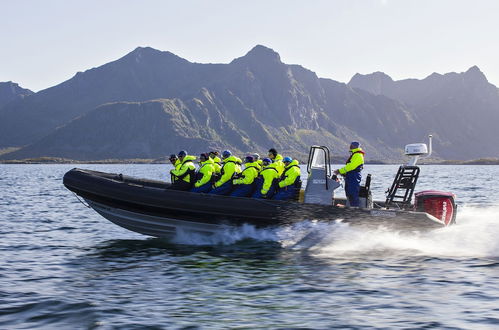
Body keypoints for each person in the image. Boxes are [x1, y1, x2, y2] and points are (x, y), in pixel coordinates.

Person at [333, 141, 365, 207]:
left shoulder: (358, 155)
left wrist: (340, 171)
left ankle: (354, 210)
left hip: (354, 177)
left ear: (354, 146)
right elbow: (349, 167)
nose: (350, 146)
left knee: (353, 193)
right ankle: (350, 207)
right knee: (349, 193)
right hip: (350, 177)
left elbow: (351, 166)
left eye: (351, 145)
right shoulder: (354, 154)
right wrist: (343, 173)